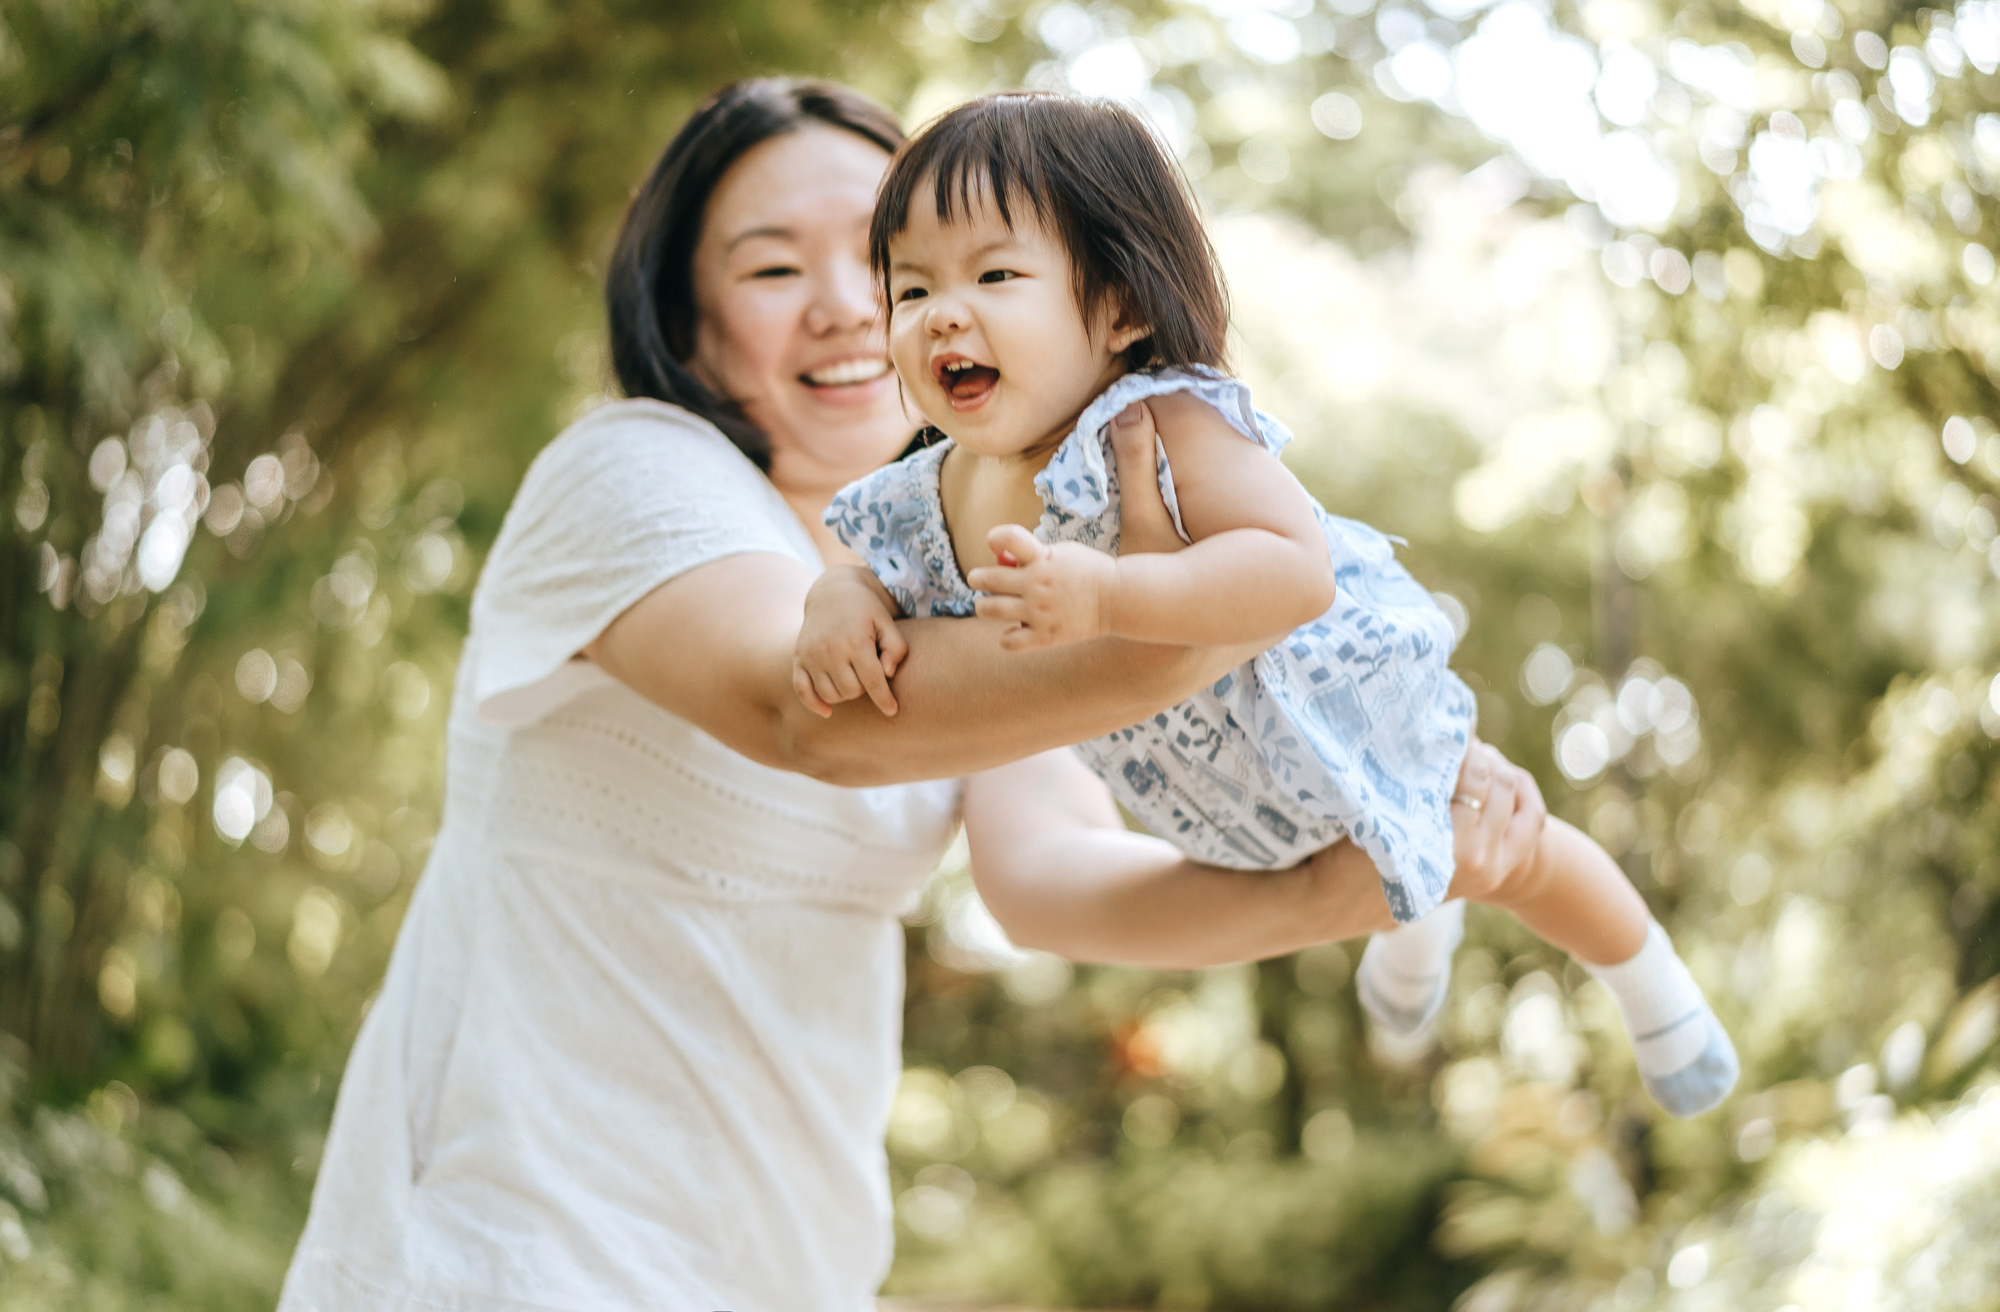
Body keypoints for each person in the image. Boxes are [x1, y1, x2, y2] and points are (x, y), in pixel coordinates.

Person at [278, 79, 1549, 1312]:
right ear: (686, 315)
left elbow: (1048, 879)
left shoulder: (962, 556)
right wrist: (1227, 598)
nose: (847, 306)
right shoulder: (627, 471)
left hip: (786, 1269)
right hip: (508, 1254)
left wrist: (1360, 875)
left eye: (889, 261)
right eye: (773, 269)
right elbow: (812, 718)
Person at [796, 91, 1737, 1120]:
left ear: (1119, 306)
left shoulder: (1159, 424)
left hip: (1331, 718)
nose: (940, 313)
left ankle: (1653, 989)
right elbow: (867, 573)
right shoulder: (926, 491)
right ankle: (1414, 925)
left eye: (994, 274)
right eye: (911, 287)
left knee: (1513, 850)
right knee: (1396, 870)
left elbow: (1293, 571)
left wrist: (1113, 590)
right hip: (1214, 804)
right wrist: (836, 605)